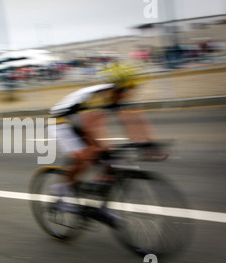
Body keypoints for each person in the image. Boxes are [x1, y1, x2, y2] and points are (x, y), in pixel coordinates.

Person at [49, 61, 157, 198]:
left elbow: (133, 121)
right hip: (61, 123)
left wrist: (149, 142)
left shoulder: (117, 97)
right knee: (85, 157)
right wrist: (101, 148)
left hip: (79, 123)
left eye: (131, 89)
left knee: (111, 164)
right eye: (127, 89)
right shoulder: (99, 97)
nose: (129, 93)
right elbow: (90, 128)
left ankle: (102, 206)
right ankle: (60, 189)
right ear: (117, 88)